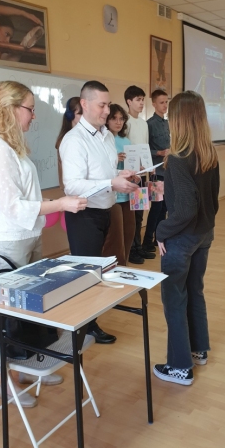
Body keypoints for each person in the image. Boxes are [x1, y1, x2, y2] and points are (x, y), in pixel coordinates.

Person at [0, 80, 87, 407]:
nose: (33, 116)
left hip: (28, 237)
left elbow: (24, 196)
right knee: (4, 316)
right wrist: (60, 204)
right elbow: (12, 207)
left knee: (31, 308)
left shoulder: (12, 145)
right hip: (8, 243)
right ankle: (4, 382)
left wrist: (52, 202)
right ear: (11, 109)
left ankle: (27, 366)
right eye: (30, 109)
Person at [60, 81, 139, 344]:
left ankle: (90, 320)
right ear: (84, 104)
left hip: (106, 210)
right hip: (84, 215)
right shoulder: (74, 140)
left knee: (101, 270)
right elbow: (72, 185)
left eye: (108, 105)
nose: (107, 111)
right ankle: (83, 328)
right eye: (102, 105)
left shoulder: (106, 136)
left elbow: (104, 173)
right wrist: (110, 182)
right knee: (86, 274)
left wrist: (121, 175)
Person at [153, 91, 220, 386]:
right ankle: (198, 350)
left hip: (181, 239)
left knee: (174, 299)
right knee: (194, 291)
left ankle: (180, 367)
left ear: (179, 120)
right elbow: (211, 201)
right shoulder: (209, 154)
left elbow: (185, 210)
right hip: (204, 234)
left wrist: (161, 231)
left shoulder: (178, 159)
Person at [124, 85, 155, 264]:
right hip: (130, 175)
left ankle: (138, 246)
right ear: (129, 101)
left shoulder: (143, 123)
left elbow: (145, 147)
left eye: (142, 99)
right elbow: (126, 149)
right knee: (132, 214)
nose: (141, 103)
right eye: (138, 99)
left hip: (142, 174)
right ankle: (131, 249)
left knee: (140, 212)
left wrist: (149, 166)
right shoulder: (125, 122)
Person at [102, 104, 136, 266]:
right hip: (113, 196)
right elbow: (102, 169)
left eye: (121, 119)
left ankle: (125, 265)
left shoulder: (126, 140)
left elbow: (132, 166)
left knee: (129, 232)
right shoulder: (103, 139)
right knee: (116, 238)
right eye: (114, 118)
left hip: (128, 194)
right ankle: (116, 268)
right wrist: (116, 159)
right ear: (107, 120)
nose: (118, 122)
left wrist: (138, 167)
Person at [142, 89, 170, 253]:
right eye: (161, 102)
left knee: (164, 207)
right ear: (153, 104)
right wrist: (158, 152)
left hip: (167, 170)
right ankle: (147, 240)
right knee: (157, 207)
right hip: (156, 172)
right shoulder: (149, 124)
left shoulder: (166, 123)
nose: (165, 105)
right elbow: (145, 149)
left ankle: (158, 238)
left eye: (166, 102)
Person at [55, 97, 82, 196]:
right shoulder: (66, 140)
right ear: (70, 115)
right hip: (74, 193)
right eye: (80, 113)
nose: (84, 117)